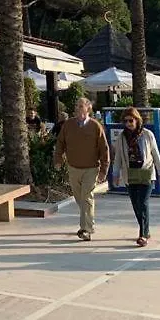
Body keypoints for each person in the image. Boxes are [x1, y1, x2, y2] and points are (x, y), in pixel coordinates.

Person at [54, 97, 110, 242]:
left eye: (80, 106)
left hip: (91, 169)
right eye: (76, 105)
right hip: (73, 168)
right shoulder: (68, 125)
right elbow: (60, 143)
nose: (77, 108)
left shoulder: (95, 126)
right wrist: (58, 159)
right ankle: (88, 222)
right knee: (79, 198)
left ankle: (86, 229)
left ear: (88, 108)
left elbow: (104, 149)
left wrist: (104, 170)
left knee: (86, 197)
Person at [112, 107, 160, 247]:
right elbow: (118, 158)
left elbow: (156, 154)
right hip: (130, 175)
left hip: (145, 173)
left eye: (131, 120)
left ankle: (142, 235)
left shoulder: (147, 134)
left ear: (137, 120)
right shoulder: (122, 137)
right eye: (125, 121)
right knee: (136, 205)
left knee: (143, 203)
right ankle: (146, 230)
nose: (128, 123)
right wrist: (115, 174)